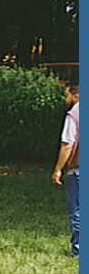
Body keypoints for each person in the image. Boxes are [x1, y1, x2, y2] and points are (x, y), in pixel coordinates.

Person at [51, 82, 79, 256]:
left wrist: (58, 169)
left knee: (77, 210)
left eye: (66, 94)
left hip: (78, 170)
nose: (64, 98)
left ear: (76, 96)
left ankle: (79, 249)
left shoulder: (73, 115)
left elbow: (67, 144)